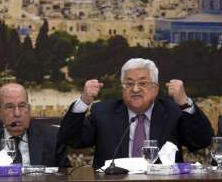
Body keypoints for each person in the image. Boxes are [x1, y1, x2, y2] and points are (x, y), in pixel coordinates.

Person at [57, 58, 213, 168]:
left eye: (143, 83)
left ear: (156, 88)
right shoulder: (104, 113)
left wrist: (184, 102)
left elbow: (202, 140)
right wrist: (84, 101)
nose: (136, 89)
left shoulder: (172, 112)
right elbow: (71, 139)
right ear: (122, 88)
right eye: (129, 83)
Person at [0, 83, 69, 169]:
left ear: (29, 109)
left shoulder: (53, 138)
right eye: (9, 107)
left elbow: (65, 175)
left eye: (22, 106)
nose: (17, 113)